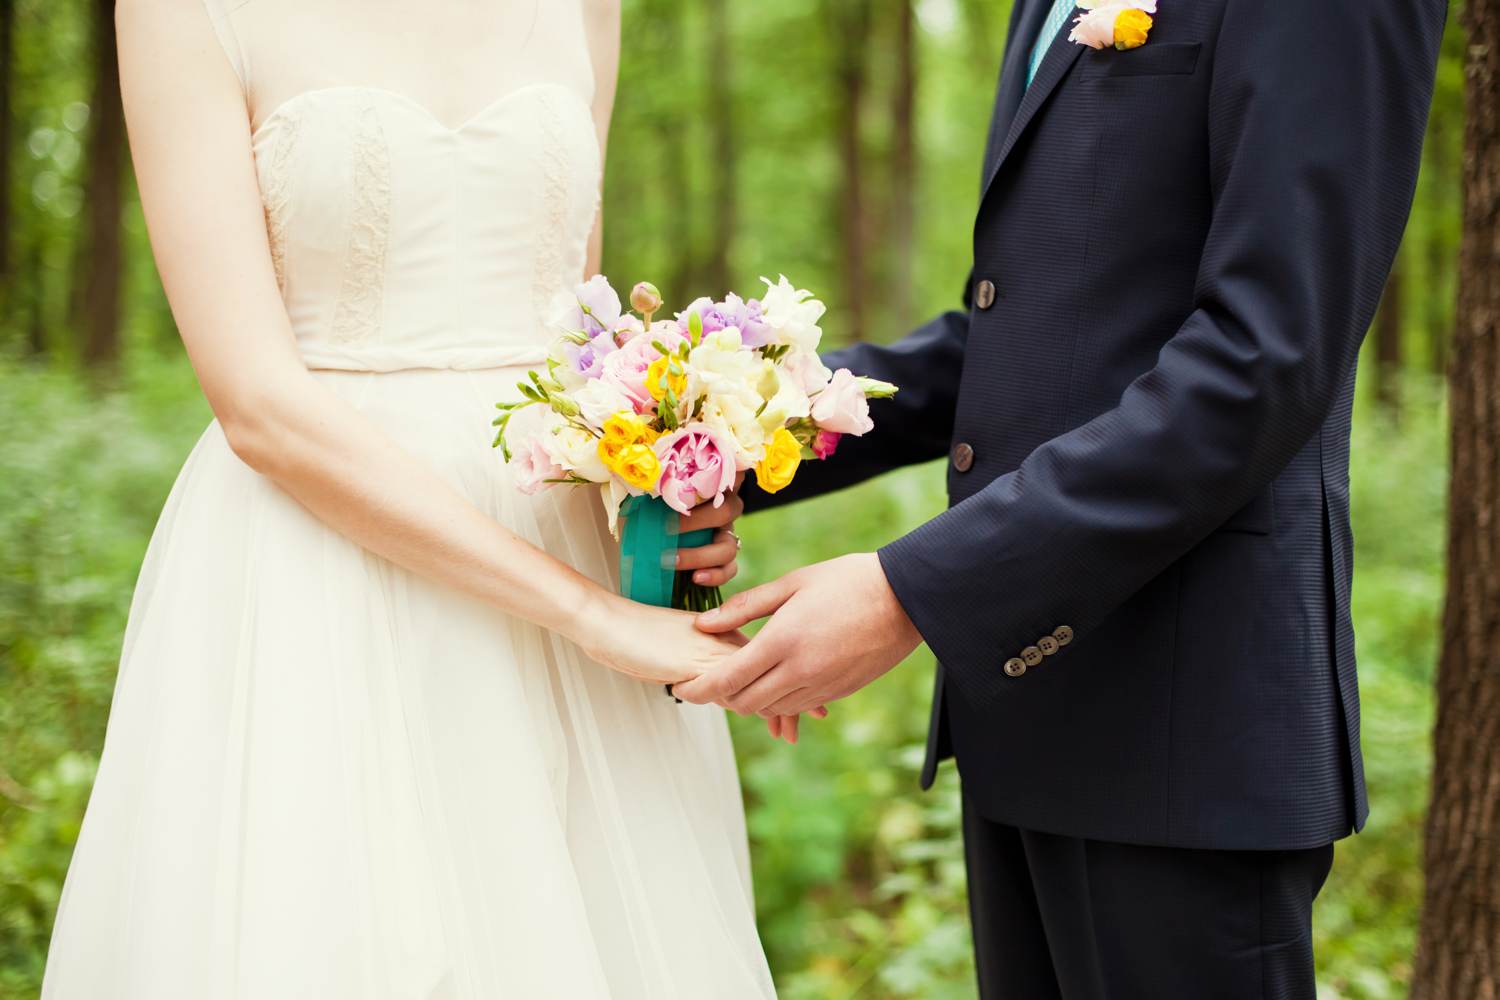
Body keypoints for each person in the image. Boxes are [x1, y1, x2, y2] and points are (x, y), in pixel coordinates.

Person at [677, 0, 1449, 995]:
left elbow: (1262, 363)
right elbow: (1019, 340)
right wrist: (729, 438)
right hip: (1024, 720)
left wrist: (914, 591)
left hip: (1184, 732)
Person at [41, 2, 777, 996]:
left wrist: (657, 491)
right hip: (319, 568)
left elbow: (578, 339)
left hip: (570, 560)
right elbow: (257, 405)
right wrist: (588, 613)